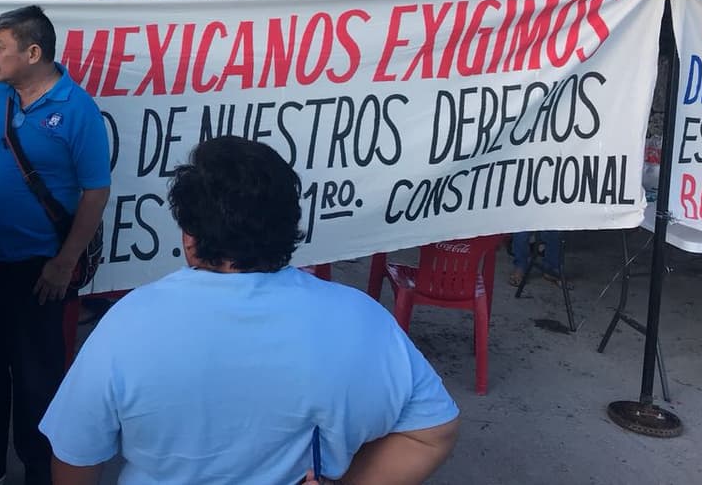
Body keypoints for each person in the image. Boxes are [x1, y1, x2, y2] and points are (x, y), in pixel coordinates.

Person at [39, 136, 461, 485]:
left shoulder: (126, 324)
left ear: (190, 237)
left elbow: (75, 454)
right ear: (290, 227)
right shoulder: (362, 320)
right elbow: (432, 431)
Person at [0, 6, 111, 485]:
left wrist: (64, 262)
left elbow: (95, 190)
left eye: (0, 47)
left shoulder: (77, 109)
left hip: (41, 271)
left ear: (33, 52)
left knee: (38, 380)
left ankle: (41, 474)